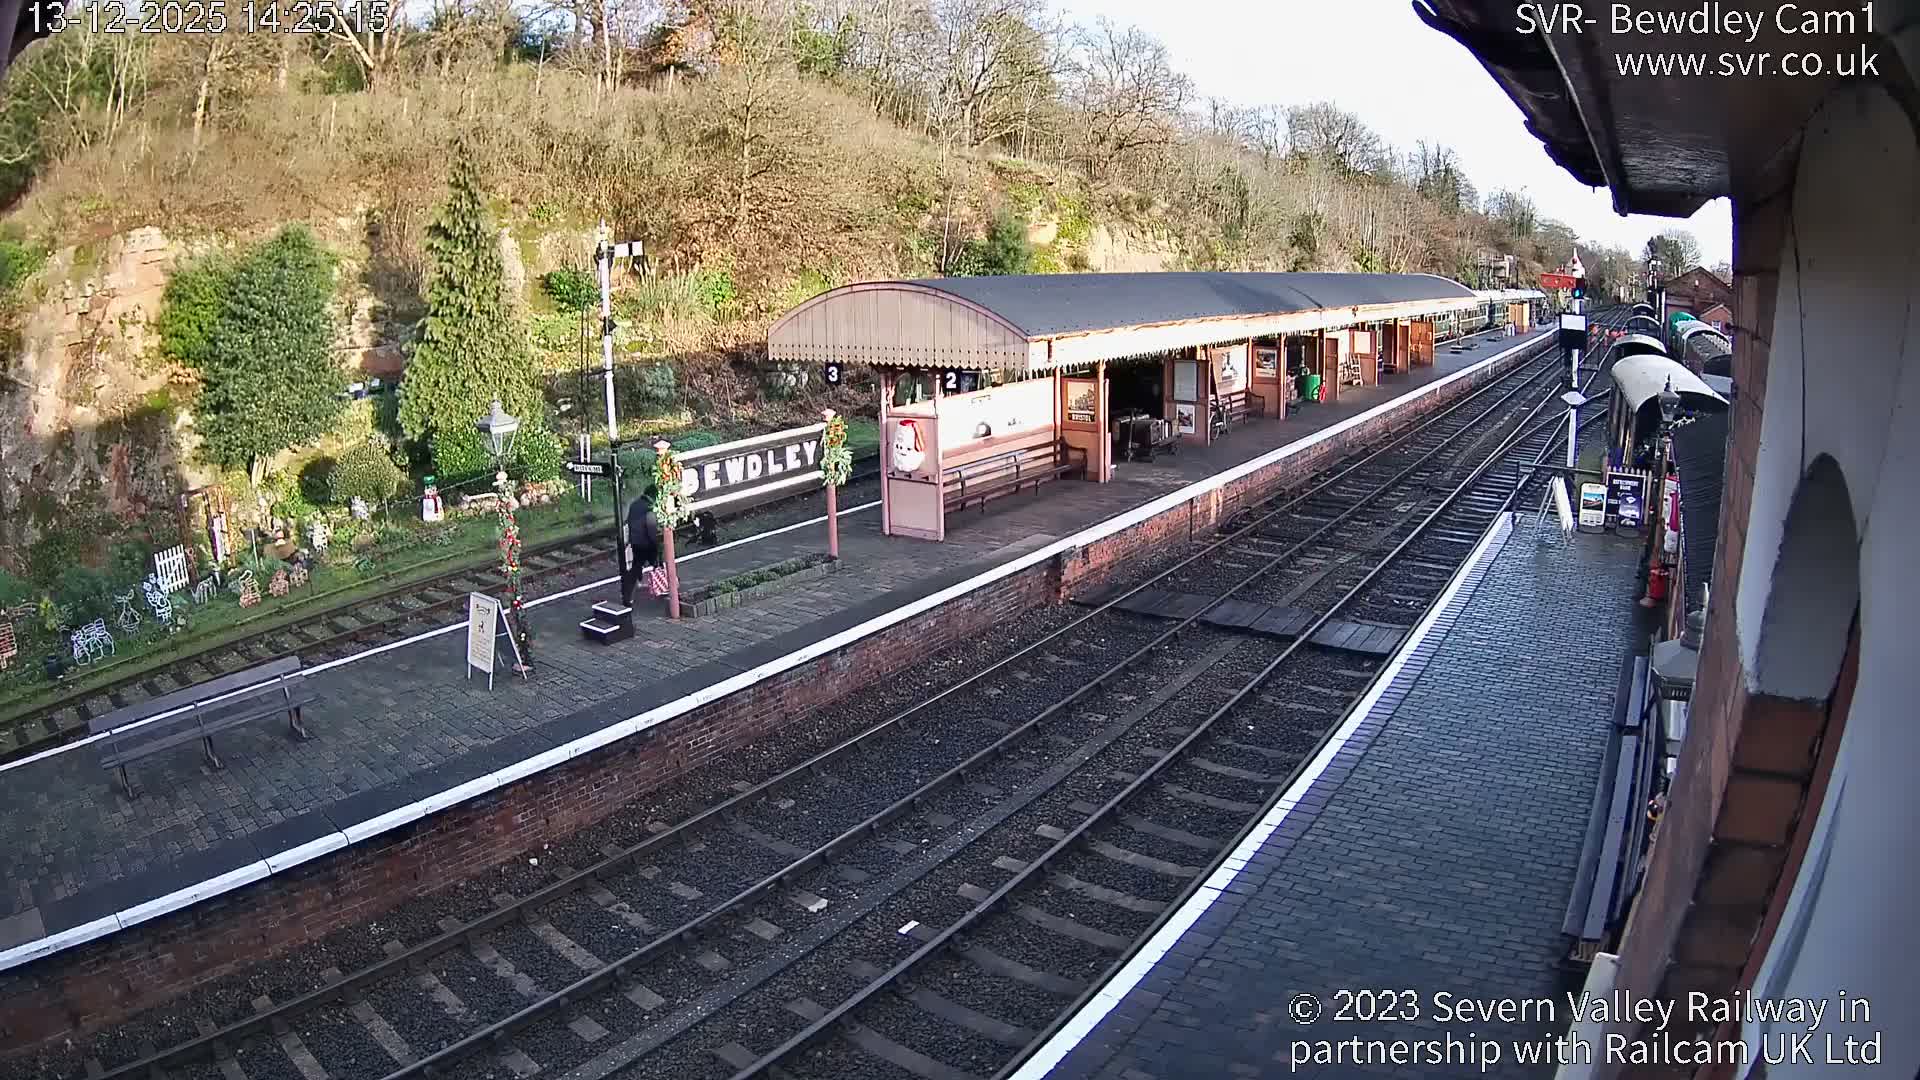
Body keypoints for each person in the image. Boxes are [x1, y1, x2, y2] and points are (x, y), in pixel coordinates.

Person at [621, 485, 662, 605]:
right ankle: (661, 586)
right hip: (646, 543)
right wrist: (655, 543)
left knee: (636, 566)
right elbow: (651, 527)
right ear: (654, 496)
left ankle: (628, 596)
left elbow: (629, 521)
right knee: (657, 563)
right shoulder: (649, 508)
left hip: (635, 541)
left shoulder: (634, 504)